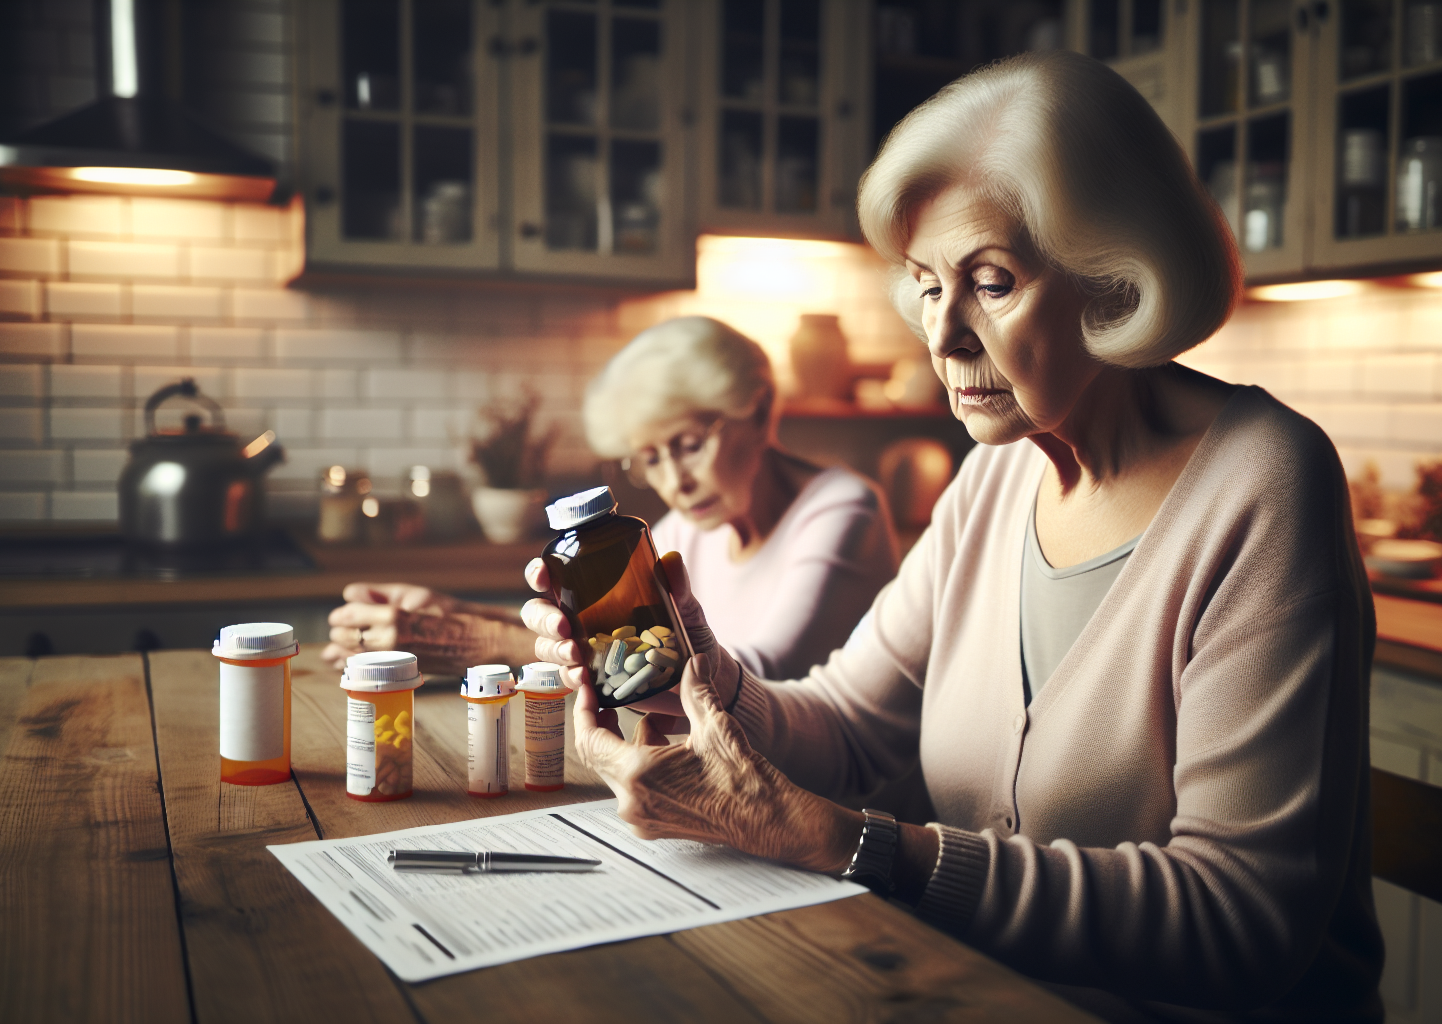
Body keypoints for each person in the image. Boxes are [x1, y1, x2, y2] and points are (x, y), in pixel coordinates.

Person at [522, 51, 1382, 1023]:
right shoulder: (995, 476)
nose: (943, 336)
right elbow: (846, 726)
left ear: (1111, 284)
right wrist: (705, 677)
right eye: (930, 285)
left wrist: (861, 847)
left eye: (992, 281)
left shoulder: (1263, 481)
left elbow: (1241, 922)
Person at [321, 316, 899, 683]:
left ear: (761, 408)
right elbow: (609, 632)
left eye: (690, 445)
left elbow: (752, 674)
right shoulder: (690, 527)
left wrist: (488, 644)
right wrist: (451, 614)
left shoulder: (843, 510)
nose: (674, 481)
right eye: (649, 457)